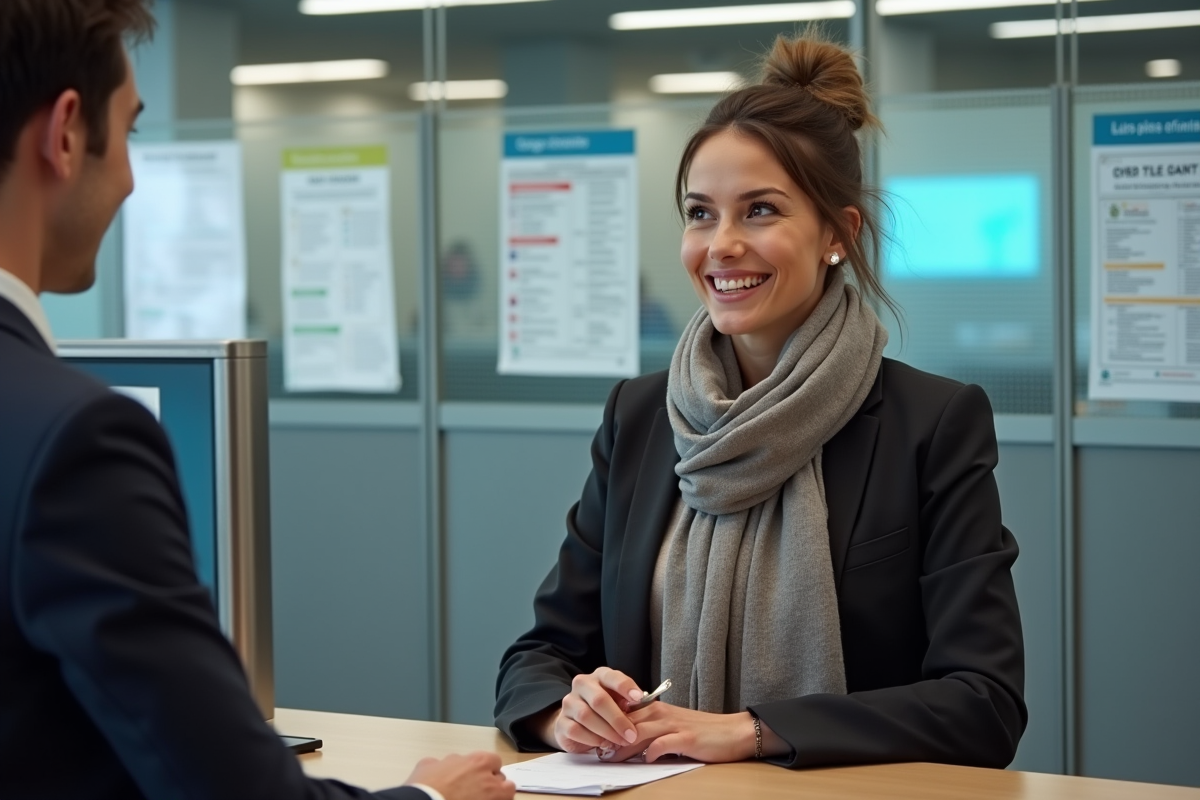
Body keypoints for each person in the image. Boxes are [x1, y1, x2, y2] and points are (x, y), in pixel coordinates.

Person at [0, 3, 515, 799]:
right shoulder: (72, 437)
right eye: (131, 132)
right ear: (66, 132)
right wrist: (433, 797)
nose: (132, 179)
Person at [495, 30, 1026, 770]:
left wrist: (750, 729)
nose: (721, 245)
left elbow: (983, 703)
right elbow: (540, 654)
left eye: (761, 211)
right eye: (700, 213)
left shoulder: (930, 424)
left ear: (837, 234)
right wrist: (567, 713)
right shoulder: (641, 418)